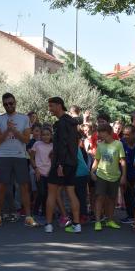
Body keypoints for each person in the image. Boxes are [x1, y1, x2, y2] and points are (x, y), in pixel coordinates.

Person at [0, 93, 38, 228]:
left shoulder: (24, 118)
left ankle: (29, 217)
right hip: (4, 156)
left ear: (15, 102)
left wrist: (14, 130)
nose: (9, 106)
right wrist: (7, 129)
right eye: (6, 104)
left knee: (24, 186)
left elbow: (26, 139)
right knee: (1, 186)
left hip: (20, 156)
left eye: (11, 103)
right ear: (3, 105)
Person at [44, 97, 81, 234]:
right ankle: (77, 225)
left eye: (51, 106)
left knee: (52, 193)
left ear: (59, 106)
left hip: (61, 164)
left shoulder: (61, 124)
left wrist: (59, 164)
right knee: (71, 192)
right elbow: (73, 144)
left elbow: (63, 145)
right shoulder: (72, 122)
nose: (50, 109)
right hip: (71, 162)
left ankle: (48, 225)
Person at [92, 123, 126, 231]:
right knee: (99, 198)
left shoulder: (118, 144)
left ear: (108, 132)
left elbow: (122, 161)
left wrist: (124, 175)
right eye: (98, 132)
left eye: (101, 132)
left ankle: (110, 220)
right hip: (101, 175)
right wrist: (92, 171)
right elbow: (96, 160)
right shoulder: (100, 145)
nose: (99, 134)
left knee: (112, 199)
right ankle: (98, 221)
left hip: (114, 176)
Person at [30, 127, 52, 218]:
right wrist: (36, 169)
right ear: (40, 136)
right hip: (39, 172)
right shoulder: (37, 144)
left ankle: (44, 211)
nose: (45, 137)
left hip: (49, 173)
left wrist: (51, 171)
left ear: (51, 135)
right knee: (41, 192)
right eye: (43, 135)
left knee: (47, 193)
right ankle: (35, 210)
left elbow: (54, 160)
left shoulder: (53, 145)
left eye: (47, 135)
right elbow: (31, 158)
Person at [120, 125, 135, 224]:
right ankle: (130, 215)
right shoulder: (122, 143)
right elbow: (121, 160)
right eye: (124, 135)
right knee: (127, 194)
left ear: (134, 134)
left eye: (128, 135)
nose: (125, 137)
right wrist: (124, 177)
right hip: (127, 172)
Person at [75, 143, 91, 224]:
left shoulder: (73, 147)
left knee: (80, 196)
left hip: (79, 173)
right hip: (82, 173)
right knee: (80, 195)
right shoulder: (76, 146)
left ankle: (83, 215)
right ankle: (82, 214)